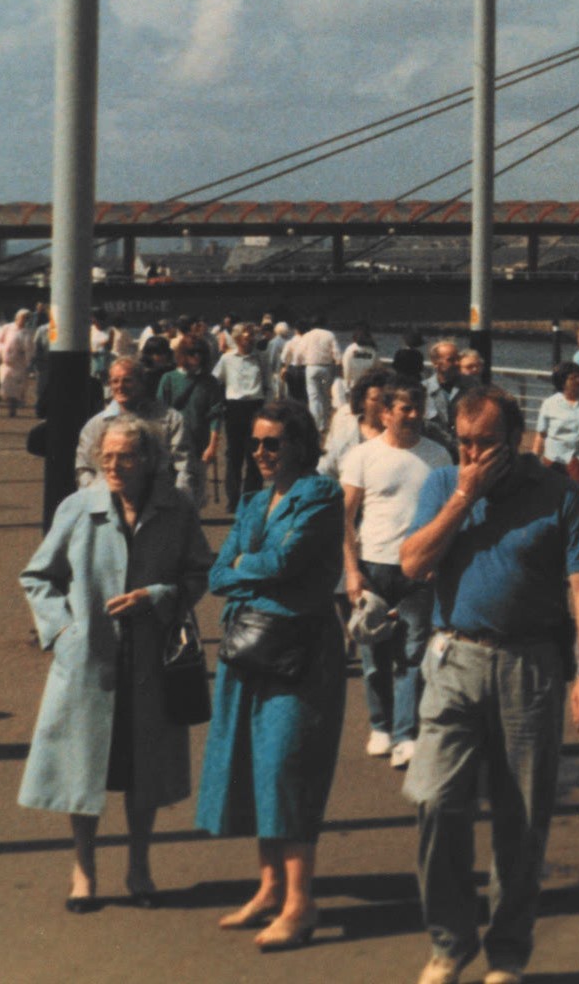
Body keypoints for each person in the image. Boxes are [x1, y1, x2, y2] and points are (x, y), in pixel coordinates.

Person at [399, 387, 579, 984]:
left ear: (514, 439)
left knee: (521, 820)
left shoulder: (558, 494)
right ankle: (449, 940)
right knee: (436, 801)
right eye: (463, 442)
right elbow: (412, 564)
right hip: (454, 659)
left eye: (485, 443)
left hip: (530, 667)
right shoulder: (444, 486)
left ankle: (508, 952)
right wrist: (464, 496)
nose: (472, 453)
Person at [19, 417, 213, 912]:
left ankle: (139, 867)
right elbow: (38, 577)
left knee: (142, 769)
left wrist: (161, 596)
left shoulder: (177, 509)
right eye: (106, 457)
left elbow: (198, 572)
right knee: (82, 771)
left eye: (124, 456)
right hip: (89, 660)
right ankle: (83, 871)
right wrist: (64, 632)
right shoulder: (79, 508)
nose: (113, 465)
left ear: (148, 459)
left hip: (150, 663)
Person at [196, 401, 347, 950]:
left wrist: (242, 568)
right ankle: (268, 889)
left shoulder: (321, 494)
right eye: (256, 443)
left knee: (289, 764)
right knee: (253, 763)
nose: (261, 453)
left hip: (299, 651)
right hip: (247, 644)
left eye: (273, 443)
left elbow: (286, 562)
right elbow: (218, 572)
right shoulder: (254, 501)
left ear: (301, 445)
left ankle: (301, 902)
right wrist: (243, 569)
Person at [341, 378, 452, 771]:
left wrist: (440, 560)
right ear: (385, 413)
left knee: (412, 655)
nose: (415, 415)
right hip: (373, 567)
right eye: (405, 408)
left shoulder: (439, 456)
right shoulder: (361, 456)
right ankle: (380, 726)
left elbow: (447, 516)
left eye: (418, 408)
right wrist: (352, 572)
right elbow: (345, 519)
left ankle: (405, 735)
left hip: (419, 570)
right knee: (374, 657)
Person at [75, 358, 191, 492]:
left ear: (142, 383)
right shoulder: (95, 425)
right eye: (115, 381)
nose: (120, 386)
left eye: (127, 380)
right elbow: (84, 468)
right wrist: (95, 497)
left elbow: (184, 466)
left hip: (158, 500)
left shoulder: (171, 419)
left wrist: (179, 500)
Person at [157, 336, 222, 509]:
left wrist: (213, 445)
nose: (197, 356)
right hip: (172, 445)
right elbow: (159, 413)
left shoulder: (211, 382)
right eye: (192, 352)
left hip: (199, 443)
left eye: (201, 352)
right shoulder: (168, 379)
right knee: (174, 488)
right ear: (182, 355)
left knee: (198, 491)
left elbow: (215, 415)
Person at [214, 323, 269, 503]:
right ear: (237, 339)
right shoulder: (227, 359)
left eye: (253, 336)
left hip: (256, 406)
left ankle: (252, 496)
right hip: (234, 408)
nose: (251, 340)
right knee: (234, 455)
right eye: (247, 337)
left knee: (255, 453)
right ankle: (233, 497)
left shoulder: (261, 358)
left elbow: (268, 383)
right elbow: (216, 380)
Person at [532, 361, 579, 480]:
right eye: (573, 378)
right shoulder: (549, 403)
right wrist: (533, 462)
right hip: (556, 463)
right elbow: (541, 435)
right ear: (562, 382)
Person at [300, 317, 341, 434]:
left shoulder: (307, 335)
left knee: (313, 397)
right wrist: (338, 365)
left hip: (311, 367)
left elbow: (301, 351)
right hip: (326, 368)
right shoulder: (330, 335)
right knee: (325, 396)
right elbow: (337, 353)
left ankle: (316, 424)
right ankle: (325, 422)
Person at [0, 308, 34, 417]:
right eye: (23, 317)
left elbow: (30, 349)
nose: (24, 320)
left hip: (19, 363)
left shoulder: (27, 332)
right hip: (6, 362)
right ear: (17, 317)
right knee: (6, 386)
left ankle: (13, 408)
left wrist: (28, 361)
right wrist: (2, 350)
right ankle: (10, 404)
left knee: (17, 387)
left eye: (27, 318)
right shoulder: (7, 328)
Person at [340, 324, 380, 392]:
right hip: (367, 386)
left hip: (354, 385)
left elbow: (346, 368)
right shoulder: (373, 350)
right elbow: (377, 367)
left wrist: (347, 384)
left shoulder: (350, 349)